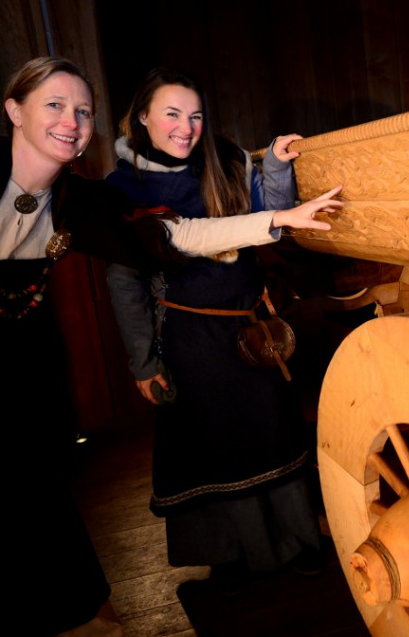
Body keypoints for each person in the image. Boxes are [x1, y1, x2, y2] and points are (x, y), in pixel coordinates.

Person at [0, 56, 341, 636]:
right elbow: (133, 279)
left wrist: (279, 215)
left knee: (33, 501)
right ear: (12, 110)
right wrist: (145, 356)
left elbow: (174, 236)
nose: (71, 121)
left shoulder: (83, 201)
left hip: (17, 373)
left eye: (82, 111)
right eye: (54, 105)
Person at [103, 67, 336, 592]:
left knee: (275, 434)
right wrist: (143, 360)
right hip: (189, 339)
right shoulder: (123, 188)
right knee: (214, 444)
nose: (186, 128)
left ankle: (298, 540)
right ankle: (231, 551)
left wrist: (274, 164)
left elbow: (272, 217)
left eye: (195, 116)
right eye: (171, 114)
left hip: (252, 329)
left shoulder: (225, 159)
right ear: (142, 117)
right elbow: (125, 282)